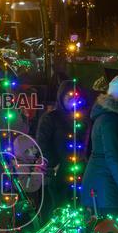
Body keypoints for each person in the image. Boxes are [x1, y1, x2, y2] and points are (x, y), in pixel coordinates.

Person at [80, 76, 118, 216]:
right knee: (108, 231)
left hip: (102, 182)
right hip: (105, 185)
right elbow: (113, 156)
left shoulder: (107, 117)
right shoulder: (110, 120)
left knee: (103, 229)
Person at [36, 80, 89, 214]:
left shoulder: (82, 119)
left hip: (78, 171)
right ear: (61, 97)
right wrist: (54, 164)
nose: (73, 100)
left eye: (76, 97)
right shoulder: (51, 118)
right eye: (69, 96)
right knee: (58, 208)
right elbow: (42, 144)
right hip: (58, 172)